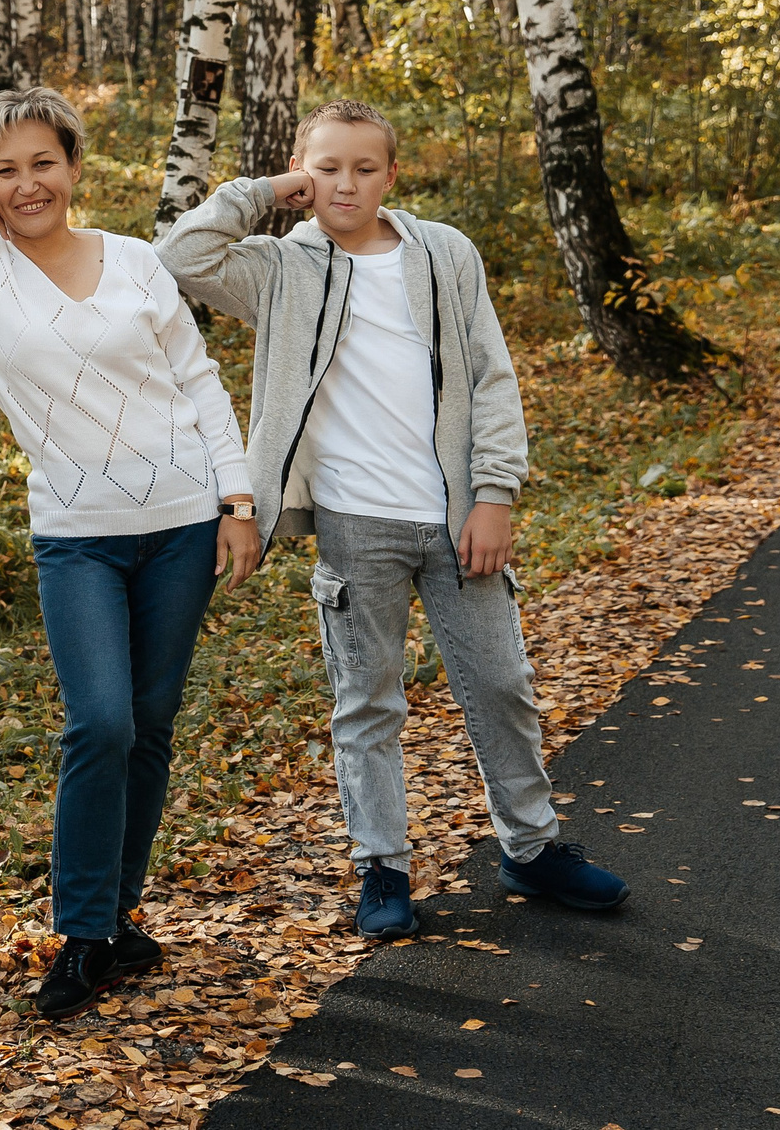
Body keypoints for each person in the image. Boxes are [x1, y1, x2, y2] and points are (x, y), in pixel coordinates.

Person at [156, 99, 627, 941]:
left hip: (454, 518)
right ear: (303, 173)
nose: (345, 183)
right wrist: (267, 189)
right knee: (366, 702)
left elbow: (491, 376)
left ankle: (532, 847)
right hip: (353, 523)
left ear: (391, 174)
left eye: (364, 167)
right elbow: (178, 254)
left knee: (501, 684)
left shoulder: (444, 253)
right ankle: (383, 866)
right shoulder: (279, 269)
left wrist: (495, 494)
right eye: (326, 167)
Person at [0, 88, 257, 1020]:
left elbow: (200, 379)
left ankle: (116, 920)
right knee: (100, 720)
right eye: (7, 167)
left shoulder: (139, 261)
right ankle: (80, 934)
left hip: (187, 520)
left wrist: (238, 501)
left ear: (75, 165)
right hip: (77, 536)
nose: (29, 184)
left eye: (44, 162)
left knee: (149, 724)